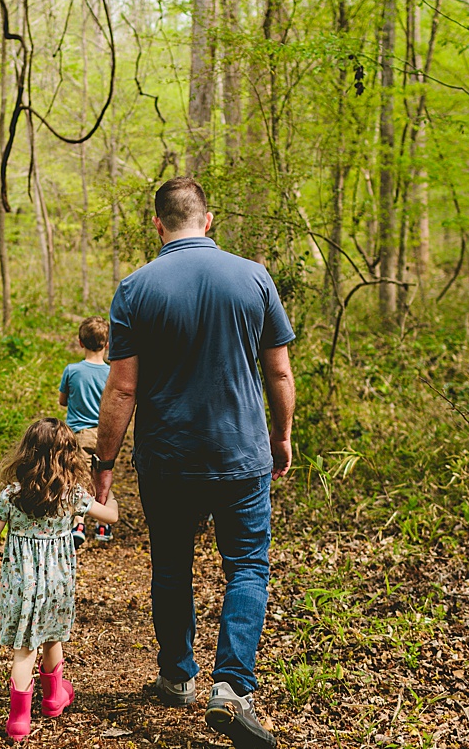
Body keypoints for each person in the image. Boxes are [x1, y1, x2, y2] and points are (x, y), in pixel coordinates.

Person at [90, 177, 295, 749]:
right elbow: (278, 371)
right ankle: (232, 688)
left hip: (167, 459)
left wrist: (104, 462)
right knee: (248, 566)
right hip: (241, 454)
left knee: (173, 566)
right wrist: (281, 436)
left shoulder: (135, 288)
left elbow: (123, 389)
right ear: (208, 221)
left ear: (158, 225)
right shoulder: (253, 277)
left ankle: (178, 676)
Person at [0, 417, 120, 743]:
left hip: (20, 585)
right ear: (67, 456)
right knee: (52, 638)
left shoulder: (12, 495)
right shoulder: (72, 495)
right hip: (57, 585)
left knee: (24, 650)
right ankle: (52, 698)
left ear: (27, 453)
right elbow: (111, 516)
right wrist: (110, 499)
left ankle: (19, 721)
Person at [58, 316, 114, 546]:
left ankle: (78, 523)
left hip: (78, 435)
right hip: (104, 436)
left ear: (80, 342)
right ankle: (103, 525)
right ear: (107, 344)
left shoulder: (71, 371)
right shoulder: (112, 374)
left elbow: (62, 401)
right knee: (101, 479)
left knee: (76, 479)